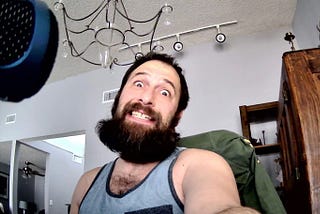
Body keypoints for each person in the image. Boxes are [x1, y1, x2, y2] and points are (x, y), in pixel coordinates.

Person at [70, 52, 260, 214]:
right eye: (138, 83)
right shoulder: (86, 184)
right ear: (118, 99)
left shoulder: (201, 164)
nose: (146, 98)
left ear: (176, 117)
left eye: (164, 92)